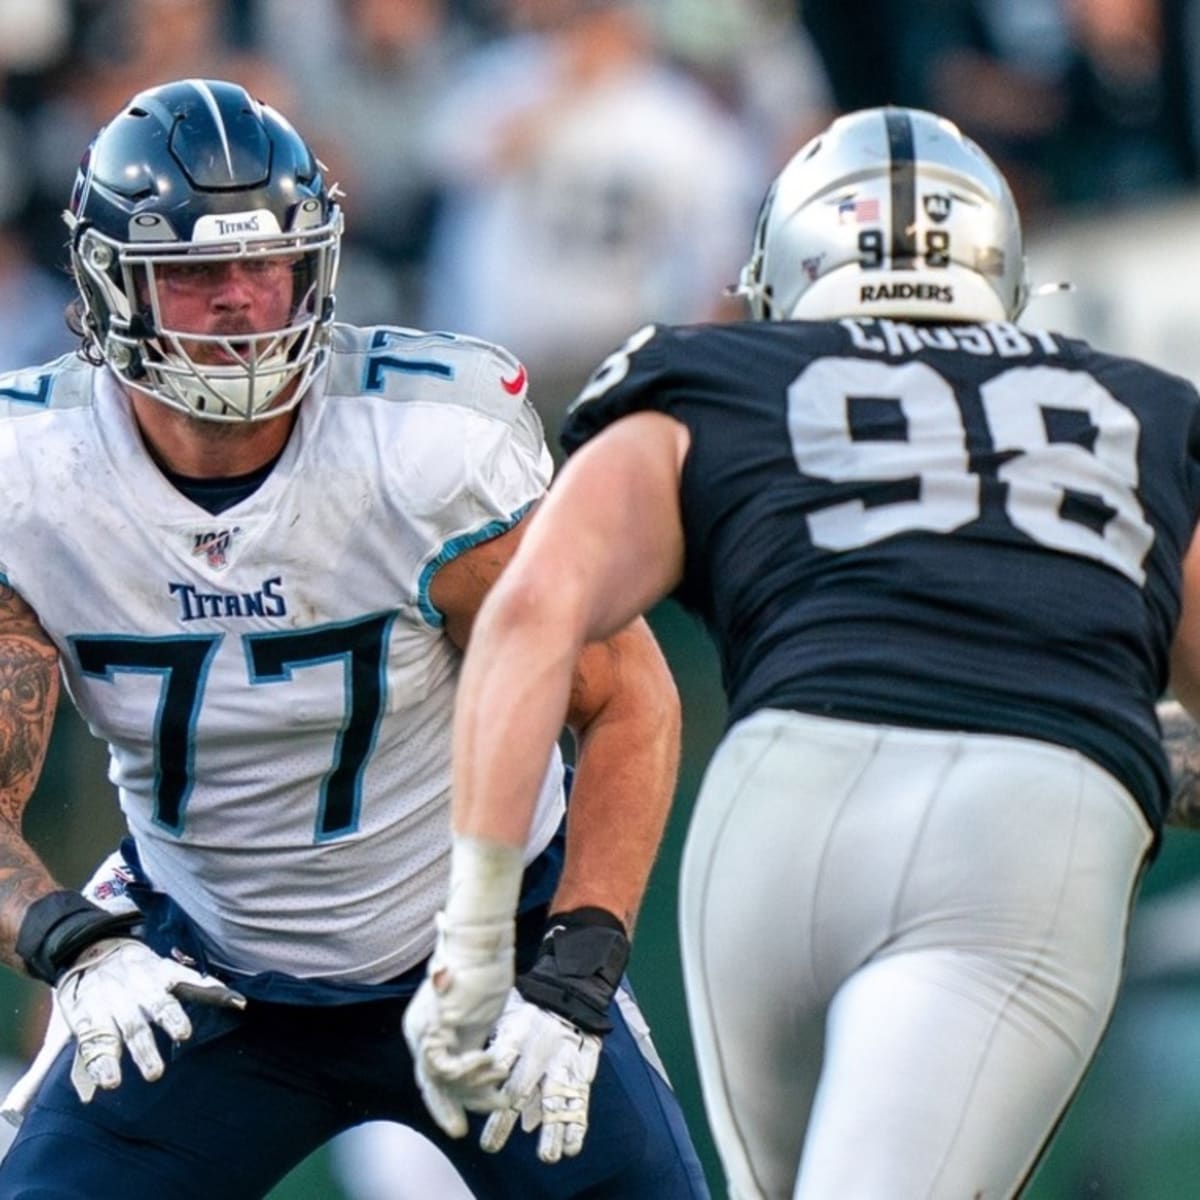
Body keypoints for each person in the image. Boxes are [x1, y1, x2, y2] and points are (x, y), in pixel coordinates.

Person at [403, 105, 1200, 1199]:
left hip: (778, 810)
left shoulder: (712, 375)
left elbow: (532, 614)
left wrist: (478, 929)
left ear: (784, 270)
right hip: (1030, 816)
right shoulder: (1139, 407)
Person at [0, 77, 708, 1200]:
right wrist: (67, 941)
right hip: (200, 965)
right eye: (194, 274)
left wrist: (578, 970)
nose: (241, 302)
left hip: (486, 954)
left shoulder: (424, 446)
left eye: (266, 265)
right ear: (109, 285)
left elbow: (626, 697)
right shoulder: (31, 471)